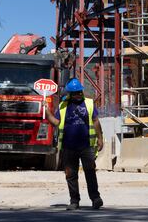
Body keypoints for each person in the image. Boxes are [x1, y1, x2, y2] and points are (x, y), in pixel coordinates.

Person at [44, 78, 104, 210]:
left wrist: (100, 138)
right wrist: (47, 113)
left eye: (79, 92)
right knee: (71, 175)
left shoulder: (88, 103)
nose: (78, 94)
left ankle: (96, 199)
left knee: (90, 172)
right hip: (68, 146)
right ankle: (74, 201)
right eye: (75, 92)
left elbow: (95, 121)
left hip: (86, 145)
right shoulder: (63, 106)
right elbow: (56, 123)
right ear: (69, 93)